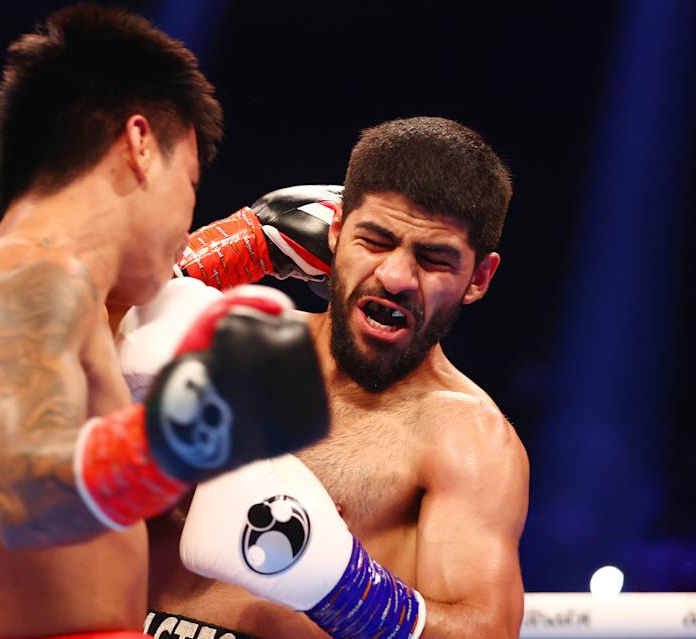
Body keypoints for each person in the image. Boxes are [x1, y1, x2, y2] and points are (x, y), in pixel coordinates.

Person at [0, 5, 329, 639]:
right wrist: (195, 421)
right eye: (190, 183)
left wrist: (247, 246)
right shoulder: (28, 281)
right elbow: (29, 495)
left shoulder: (49, 289)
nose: (185, 220)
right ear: (139, 145)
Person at [135, 117, 529, 638]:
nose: (395, 277)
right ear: (336, 231)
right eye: (376, 240)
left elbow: (485, 631)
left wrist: (345, 590)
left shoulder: (465, 438)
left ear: (478, 278)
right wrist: (230, 249)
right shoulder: (220, 347)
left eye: (434, 259)